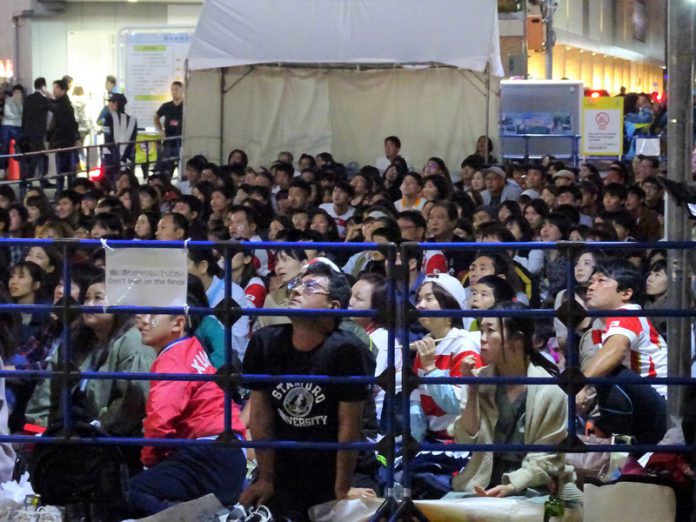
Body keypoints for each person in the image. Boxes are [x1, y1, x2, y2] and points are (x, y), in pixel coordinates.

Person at [241, 261, 373, 520]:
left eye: (310, 287)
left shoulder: (347, 350)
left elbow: (349, 426)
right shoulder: (265, 342)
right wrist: (265, 478)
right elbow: (260, 417)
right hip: (285, 467)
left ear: (333, 306)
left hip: (339, 468)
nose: (297, 290)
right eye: (297, 284)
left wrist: (342, 487)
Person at [127, 308, 246, 517]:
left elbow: (159, 421)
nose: (142, 321)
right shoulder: (190, 346)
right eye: (142, 313)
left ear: (178, 323)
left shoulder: (172, 360)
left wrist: (149, 460)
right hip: (227, 453)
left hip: (208, 454)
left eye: (152, 315)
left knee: (130, 493)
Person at [452, 302, 573, 497]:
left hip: (533, 485)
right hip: (480, 481)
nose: (482, 338)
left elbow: (547, 458)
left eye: (490, 331)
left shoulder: (549, 391)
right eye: (481, 330)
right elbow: (465, 440)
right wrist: (472, 391)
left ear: (517, 339)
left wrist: (512, 486)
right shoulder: (479, 380)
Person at [577, 258, 667, 445]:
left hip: (660, 405)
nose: (591, 287)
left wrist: (579, 385)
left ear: (626, 293)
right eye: (591, 282)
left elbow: (615, 351)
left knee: (613, 373)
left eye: (601, 281)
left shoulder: (628, 313)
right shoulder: (599, 323)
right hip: (637, 401)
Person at [410, 273, 481, 444]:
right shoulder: (427, 343)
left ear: (449, 306)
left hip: (458, 442)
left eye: (429, 299)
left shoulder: (464, 345)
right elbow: (417, 399)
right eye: (419, 299)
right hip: (431, 439)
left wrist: (431, 369)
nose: (420, 305)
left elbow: (458, 405)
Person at [48, 79, 79, 192]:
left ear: (63, 90)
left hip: (63, 141)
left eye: (56, 88)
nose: (54, 90)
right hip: (64, 141)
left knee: (62, 168)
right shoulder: (62, 103)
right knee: (64, 168)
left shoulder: (64, 105)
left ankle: (63, 191)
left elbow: (66, 124)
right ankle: (65, 190)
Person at [101, 93, 137, 182]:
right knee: (127, 180)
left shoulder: (108, 118)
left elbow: (108, 140)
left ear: (115, 104)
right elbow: (133, 141)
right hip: (128, 158)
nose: (108, 105)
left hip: (111, 159)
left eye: (110, 102)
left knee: (111, 182)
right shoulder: (133, 120)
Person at [21, 78, 51, 184]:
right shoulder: (44, 100)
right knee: (37, 156)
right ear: (43, 86)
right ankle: (30, 179)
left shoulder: (28, 99)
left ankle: (37, 179)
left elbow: (24, 116)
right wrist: (50, 97)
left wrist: (24, 131)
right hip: (39, 133)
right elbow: (54, 109)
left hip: (28, 132)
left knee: (36, 156)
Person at [154, 81, 184, 177]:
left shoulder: (186, 105)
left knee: (182, 169)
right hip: (168, 142)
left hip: (182, 142)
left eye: (176, 89)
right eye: (172, 90)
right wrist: (160, 130)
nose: (174, 92)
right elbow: (156, 117)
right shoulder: (166, 106)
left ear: (182, 90)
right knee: (166, 169)